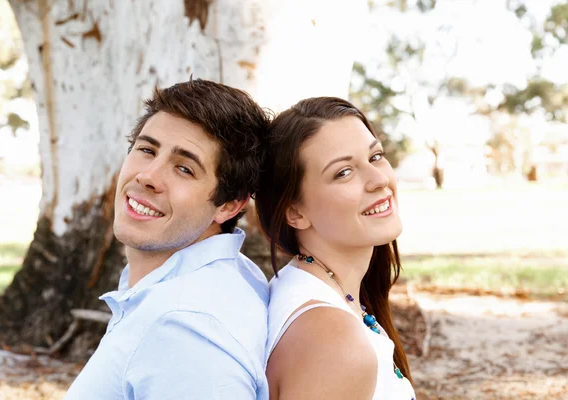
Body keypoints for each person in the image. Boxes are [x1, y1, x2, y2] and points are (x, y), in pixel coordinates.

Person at [65, 79, 270, 400]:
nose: (147, 177)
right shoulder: (206, 281)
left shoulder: (184, 330)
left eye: (184, 168)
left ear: (229, 205)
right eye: (147, 150)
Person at [255, 97, 416, 400]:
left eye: (376, 156)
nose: (379, 179)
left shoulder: (313, 289)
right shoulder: (333, 341)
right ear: (295, 212)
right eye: (343, 172)